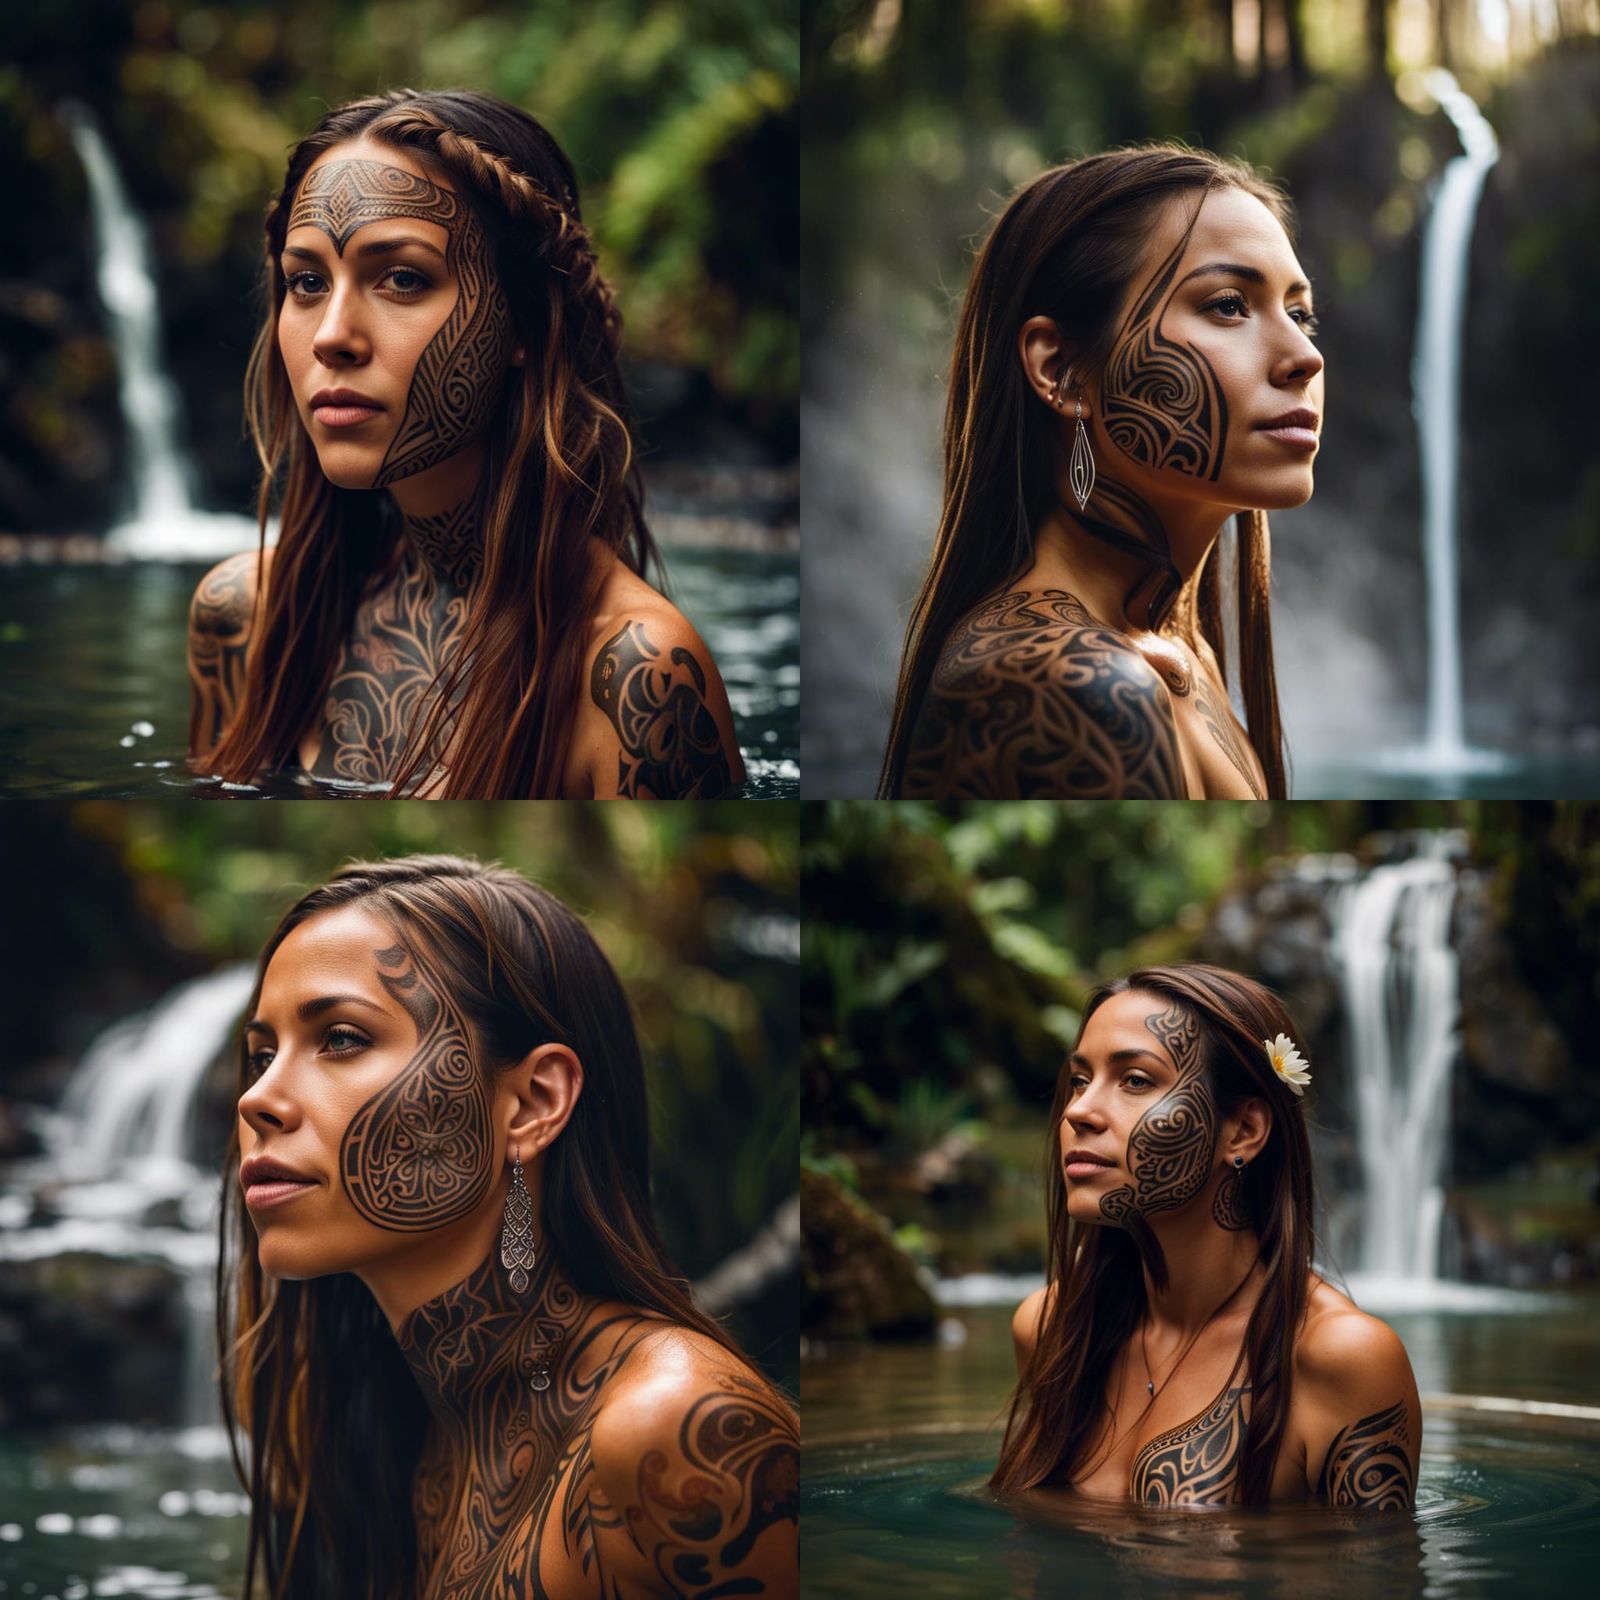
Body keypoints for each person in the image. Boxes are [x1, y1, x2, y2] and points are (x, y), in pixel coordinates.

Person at [220, 855, 798, 1598]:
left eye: (340, 1038)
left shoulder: (680, 1433)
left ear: (530, 1103)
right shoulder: (379, 1429)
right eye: (262, 1054)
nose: (257, 1099)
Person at [187, 89, 743, 798]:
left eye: (403, 278)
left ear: (522, 321)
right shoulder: (242, 617)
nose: (331, 335)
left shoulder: (637, 677)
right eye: (307, 282)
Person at [880, 146, 1325, 800]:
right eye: (1229, 305)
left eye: (1299, 313)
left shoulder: (1174, 649)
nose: (1304, 356)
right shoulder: (1059, 683)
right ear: (1061, 370)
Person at [994, 964, 1421, 1509]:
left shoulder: (1338, 1359)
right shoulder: (1052, 1329)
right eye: (1080, 1079)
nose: (1079, 1110)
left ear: (1243, 1131)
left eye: (1135, 1080)